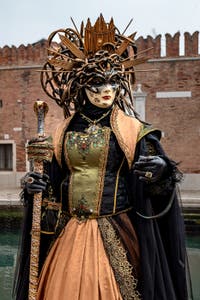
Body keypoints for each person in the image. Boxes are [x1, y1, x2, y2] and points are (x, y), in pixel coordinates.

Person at [13, 15, 189, 300]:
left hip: (118, 228)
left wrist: (161, 172)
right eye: (97, 83)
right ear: (81, 85)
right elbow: (52, 186)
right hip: (69, 232)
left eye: (112, 83)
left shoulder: (135, 132)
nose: (106, 91)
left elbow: (158, 187)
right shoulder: (61, 132)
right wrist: (34, 186)